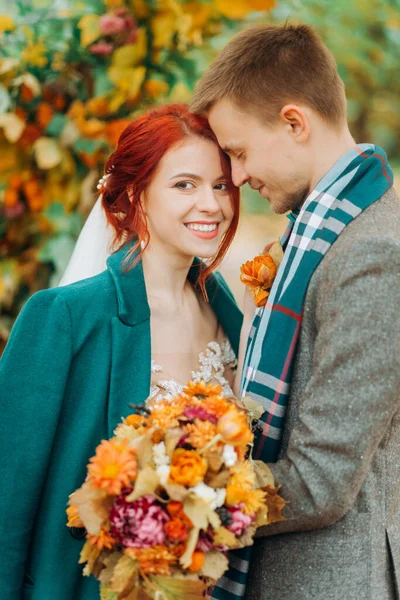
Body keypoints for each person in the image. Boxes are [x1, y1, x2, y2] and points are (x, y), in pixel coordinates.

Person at [191, 23, 400, 600]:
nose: (234, 177)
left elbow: (320, 479)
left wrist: (175, 504)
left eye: (237, 152)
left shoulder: (374, 254)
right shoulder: (326, 230)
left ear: (294, 122)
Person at [0, 104, 243, 600]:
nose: (212, 204)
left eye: (221, 185)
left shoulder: (228, 312)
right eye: (184, 185)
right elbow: (8, 496)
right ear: (137, 194)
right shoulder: (64, 317)